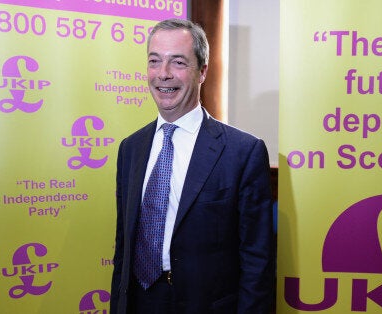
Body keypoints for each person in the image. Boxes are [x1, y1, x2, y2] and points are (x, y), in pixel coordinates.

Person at [110, 18, 275, 314]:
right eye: (154, 61)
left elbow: (257, 261)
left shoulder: (243, 152)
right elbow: (123, 249)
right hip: (139, 301)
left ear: (202, 71)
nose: (163, 74)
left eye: (178, 63)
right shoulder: (130, 149)